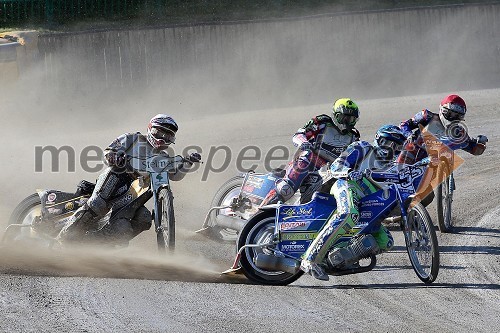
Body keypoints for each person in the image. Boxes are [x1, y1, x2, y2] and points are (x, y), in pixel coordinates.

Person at [57, 114, 201, 244]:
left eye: (167, 136)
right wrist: (113, 156)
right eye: (159, 132)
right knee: (97, 203)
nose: (162, 138)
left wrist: (187, 163)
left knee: (144, 218)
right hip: (117, 176)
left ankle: (95, 246)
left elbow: (175, 176)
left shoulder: (163, 157)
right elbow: (107, 152)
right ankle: (63, 240)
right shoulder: (132, 138)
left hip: (135, 192)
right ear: (150, 129)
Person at [300, 124, 407, 281]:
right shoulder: (363, 147)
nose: (392, 149)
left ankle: (337, 259)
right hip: (347, 185)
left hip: (367, 204)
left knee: (386, 241)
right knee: (349, 213)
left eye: (397, 146)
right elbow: (336, 166)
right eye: (389, 143)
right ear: (379, 139)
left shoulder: (393, 169)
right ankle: (310, 259)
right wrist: (349, 173)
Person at [261, 98, 361, 206]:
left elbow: (356, 158)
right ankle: (258, 213)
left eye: (350, 119)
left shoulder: (353, 137)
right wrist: (303, 142)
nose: (346, 122)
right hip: (308, 161)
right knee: (286, 189)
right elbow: (298, 134)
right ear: (335, 115)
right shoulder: (322, 123)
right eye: (343, 118)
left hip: (330, 171)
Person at [397, 94, 488, 164]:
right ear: (442, 110)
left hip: (436, 159)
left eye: (457, 116)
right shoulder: (426, 116)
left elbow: (474, 150)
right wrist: (409, 135)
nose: (453, 118)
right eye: (450, 114)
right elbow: (404, 124)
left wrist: (481, 143)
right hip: (414, 153)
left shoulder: (459, 132)